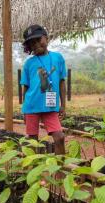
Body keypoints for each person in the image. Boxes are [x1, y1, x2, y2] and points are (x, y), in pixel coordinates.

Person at [20, 24, 66, 155]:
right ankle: (32, 171)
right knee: (33, 141)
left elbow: (62, 82)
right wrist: (24, 109)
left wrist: (63, 105)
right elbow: (26, 87)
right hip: (32, 106)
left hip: (50, 107)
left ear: (46, 38)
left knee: (59, 138)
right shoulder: (29, 63)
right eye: (31, 43)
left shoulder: (58, 58)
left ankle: (59, 170)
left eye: (38, 40)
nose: (35, 44)